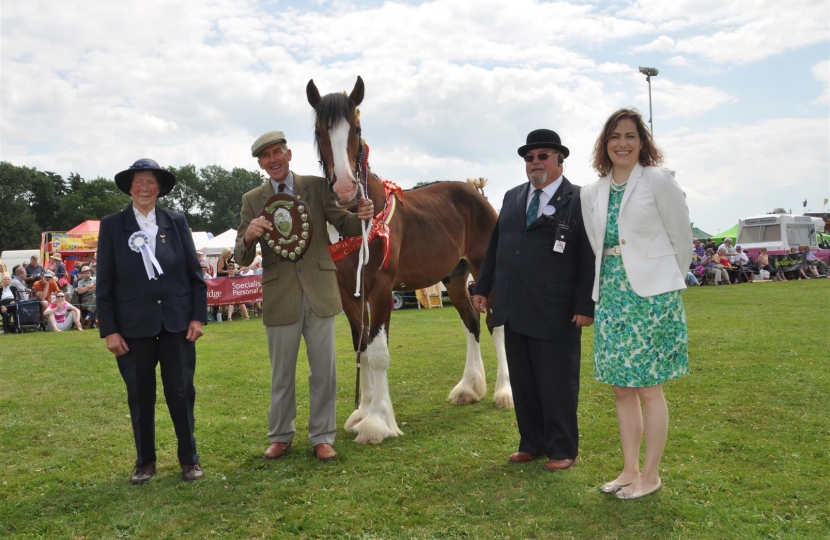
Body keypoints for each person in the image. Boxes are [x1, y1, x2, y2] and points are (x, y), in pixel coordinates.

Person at [234, 130, 373, 463]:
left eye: (277, 152)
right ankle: (280, 436)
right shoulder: (252, 199)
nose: (273, 160)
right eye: (266, 156)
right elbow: (239, 257)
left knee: (324, 371)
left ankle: (322, 436)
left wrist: (363, 216)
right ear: (260, 164)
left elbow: (344, 222)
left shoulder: (316, 185)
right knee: (282, 373)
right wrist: (249, 236)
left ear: (289, 154)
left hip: (321, 292)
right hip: (281, 295)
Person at [581, 108, 692, 499]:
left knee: (648, 388)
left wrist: (665, 284)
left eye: (630, 136)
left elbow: (683, 240)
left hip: (652, 299)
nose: (622, 143)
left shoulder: (658, 180)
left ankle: (652, 474)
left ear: (642, 141)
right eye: (615, 136)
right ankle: (629, 470)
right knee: (621, 389)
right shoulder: (591, 191)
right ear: (604, 143)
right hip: (611, 295)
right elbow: (597, 247)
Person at [472, 128, 595, 472]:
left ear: (560, 159)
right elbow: (495, 247)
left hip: (556, 309)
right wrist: (481, 287)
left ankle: (562, 448)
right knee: (523, 381)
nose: (535, 163)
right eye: (529, 157)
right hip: (513, 306)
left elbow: (589, 256)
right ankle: (532, 443)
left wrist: (586, 305)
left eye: (543, 156)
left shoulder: (579, 198)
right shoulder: (513, 197)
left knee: (557, 382)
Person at [97, 158, 207, 485]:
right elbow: (104, 284)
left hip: (177, 325)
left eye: (151, 182)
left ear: (159, 188)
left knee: (181, 393)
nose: (145, 188)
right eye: (138, 182)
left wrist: (197, 317)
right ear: (129, 188)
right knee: (140, 396)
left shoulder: (176, 222)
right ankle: (145, 462)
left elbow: (195, 276)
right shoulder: (113, 226)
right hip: (132, 329)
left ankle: (189, 460)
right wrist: (110, 331)